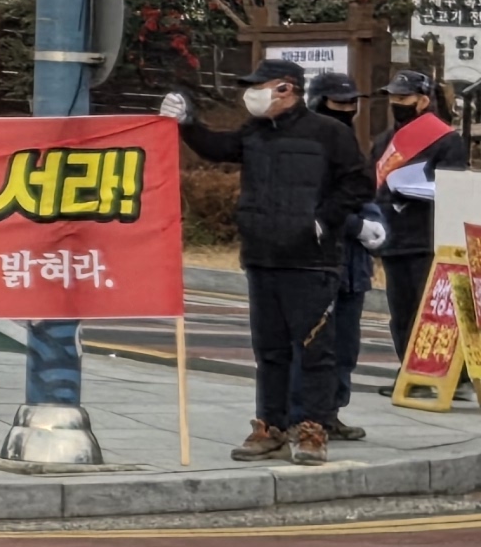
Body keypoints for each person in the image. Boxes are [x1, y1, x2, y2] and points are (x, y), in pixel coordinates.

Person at [166, 59, 374, 466]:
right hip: (262, 257)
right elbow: (218, 148)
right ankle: (270, 428)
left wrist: (323, 220)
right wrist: (188, 123)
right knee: (270, 351)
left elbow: (360, 183)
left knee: (314, 350)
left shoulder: (329, 133)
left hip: (312, 262)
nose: (252, 94)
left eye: (260, 86)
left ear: (286, 89)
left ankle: (312, 430)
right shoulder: (255, 131)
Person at [302, 66, 377, 439]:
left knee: (346, 345)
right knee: (317, 344)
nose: (347, 109)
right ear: (318, 103)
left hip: (354, 266)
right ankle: (307, 416)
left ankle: (332, 413)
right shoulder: (307, 145)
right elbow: (309, 203)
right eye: (338, 103)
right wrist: (354, 225)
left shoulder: (352, 145)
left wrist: (375, 223)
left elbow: (365, 192)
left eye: (352, 103)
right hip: (319, 260)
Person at [373, 64, 464, 363]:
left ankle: (433, 370)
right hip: (393, 237)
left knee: (429, 312)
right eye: (393, 98)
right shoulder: (384, 141)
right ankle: (406, 371)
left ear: (423, 100)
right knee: (400, 313)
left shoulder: (446, 140)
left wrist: (416, 188)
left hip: (427, 238)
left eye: (404, 98)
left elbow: (452, 187)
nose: (396, 104)